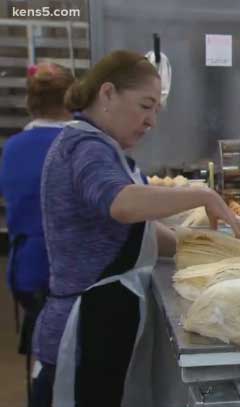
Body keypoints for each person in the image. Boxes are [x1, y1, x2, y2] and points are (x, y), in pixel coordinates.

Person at [30, 50, 240, 407]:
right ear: (108, 93)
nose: (151, 121)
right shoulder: (85, 148)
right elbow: (122, 204)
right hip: (81, 332)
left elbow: (137, 231)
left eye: (157, 111)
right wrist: (201, 195)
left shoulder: (105, 148)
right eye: (145, 106)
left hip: (104, 323)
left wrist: (204, 249)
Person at [0, 62, 74, 401]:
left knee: (47, 357)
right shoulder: (77, 145)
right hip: (66, 274)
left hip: (26, 272)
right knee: (66, 365)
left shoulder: (13, 147)